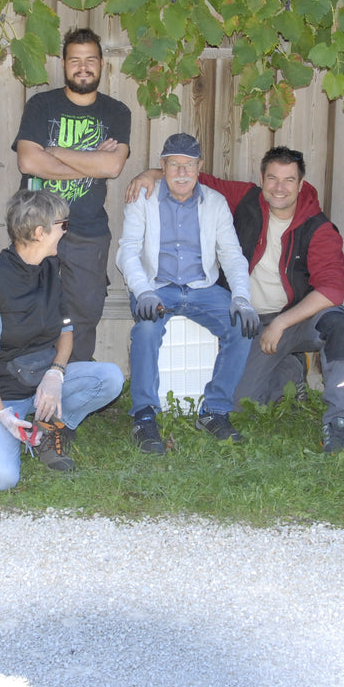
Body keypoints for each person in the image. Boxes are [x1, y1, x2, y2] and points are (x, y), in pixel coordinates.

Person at [125, 147, 344, 452]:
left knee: (338, 321)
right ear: (261, 179)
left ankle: (338, 421)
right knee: (241, 401)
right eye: (272, 178)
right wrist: (150, 174)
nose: (279, 187)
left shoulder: (318, 227)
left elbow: (332, 290)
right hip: (254, 323)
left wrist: (282, 323)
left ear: (301, 184)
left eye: (289, 180)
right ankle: (290, 373)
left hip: (296, 319)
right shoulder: (246, 199)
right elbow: (190, 175)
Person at [0, 190, 125, 490]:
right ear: (40, 233)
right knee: (2, 479)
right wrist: (0, 412)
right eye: (63, 224)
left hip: (41, 379)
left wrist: (56, 373)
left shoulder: (49, 268)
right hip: (1, 391)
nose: (66, 229)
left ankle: (48, 427)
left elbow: (65, 328)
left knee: (109, 378)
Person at [116, 133, 260, 454]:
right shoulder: (143, 198)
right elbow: (127, 252)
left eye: (189, 165)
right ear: (162, 167)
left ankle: (215, 411)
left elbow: (233, 255)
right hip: (156, 288)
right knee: (147, 328)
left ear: (199, 167)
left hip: (201, 290)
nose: (182, 172)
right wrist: (143, 292)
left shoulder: (215, 203)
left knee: (241, 326)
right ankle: (144, 415)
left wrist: (240, 297)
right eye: (174, 165)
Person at [14, 28, 132, 362]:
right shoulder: (41, 105)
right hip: (36, 228)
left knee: (85, 313)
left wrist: (54, 151)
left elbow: (112, 167)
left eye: (90, 60)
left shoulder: (116, 112)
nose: (83, 67)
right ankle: (30, 389)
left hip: (88, 231)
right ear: (64, 64)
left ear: (102, 65)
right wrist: (91, 161)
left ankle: (74, 387)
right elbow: (28, 160)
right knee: (28, 309)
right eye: (75, 60)